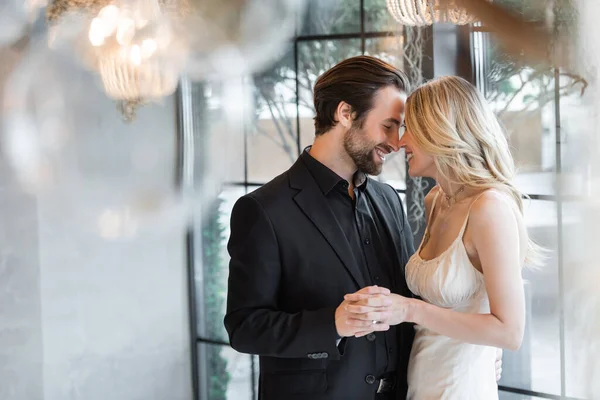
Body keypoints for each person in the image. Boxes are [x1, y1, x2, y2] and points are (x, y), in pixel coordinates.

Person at [224, 57, 501, 400]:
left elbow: (412, 299)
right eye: (388, 125)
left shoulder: (388, 200)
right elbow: (244, 328)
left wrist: (476, 347)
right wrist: (333, 325)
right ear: (344, 113)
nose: (396, 142)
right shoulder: (263, 210)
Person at [344, 75, 540, 399]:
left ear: (441, 132)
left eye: (410, 129)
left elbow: (510, 332)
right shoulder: (435, 199)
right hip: (421, 383)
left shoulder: (489, 208)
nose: (401, 142)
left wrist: (408, 309)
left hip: (461, 388)